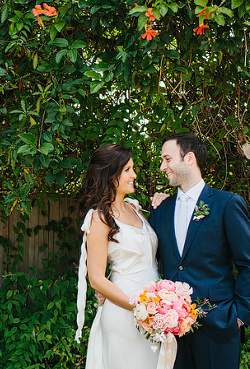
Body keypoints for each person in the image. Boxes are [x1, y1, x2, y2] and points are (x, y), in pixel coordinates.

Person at [148, 132, 250, 369]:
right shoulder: (160, 210)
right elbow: (149, 261)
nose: (162, 167)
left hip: (218, 326)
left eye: (167, 159)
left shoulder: (226, 204)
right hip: (173, 332)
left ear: (189, 158)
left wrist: (239, 316)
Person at [73, 143, 171, 369]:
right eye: (128, 170)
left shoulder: (135, 209)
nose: (134, 175)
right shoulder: (99, 218)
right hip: (125, 312)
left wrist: (167, 203)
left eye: (133, 169)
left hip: (154, 312)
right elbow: (96, 278)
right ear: (110, 174)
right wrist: (139, 308)